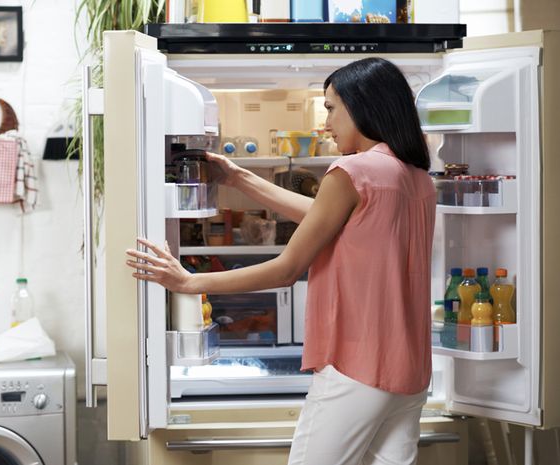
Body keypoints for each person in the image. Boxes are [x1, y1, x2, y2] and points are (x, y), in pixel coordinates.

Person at [125, 57, 435, 465]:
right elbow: (322, 216)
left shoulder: (352, 171)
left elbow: (287, 269)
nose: (326, 123)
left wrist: (188, 282)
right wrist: (238, 176)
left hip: (359, 367)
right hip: (410, 374)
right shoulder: (415, 177)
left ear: (363, 107)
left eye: (330, 108)